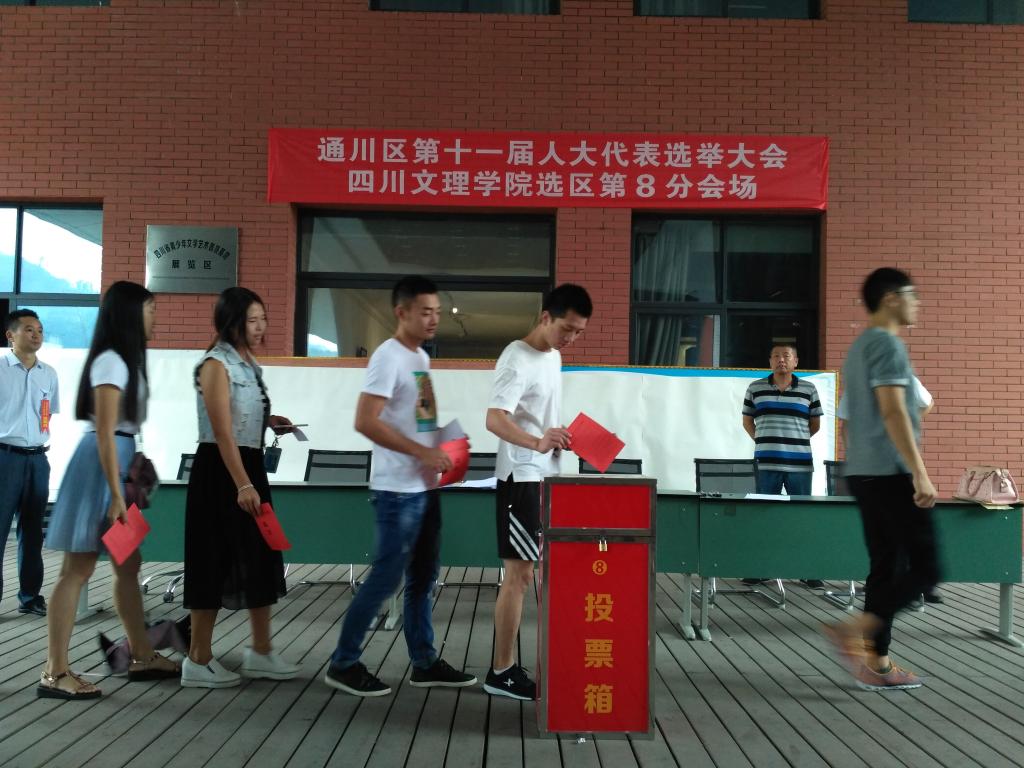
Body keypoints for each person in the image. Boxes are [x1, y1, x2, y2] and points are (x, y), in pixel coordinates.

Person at [324, 276, 476, 697]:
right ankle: (343, 663)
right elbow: (365, 421)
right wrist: (421, 452)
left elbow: (417, 419)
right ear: (401, 312)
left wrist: (446, 445)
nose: (433, 319)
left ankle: (424, 662)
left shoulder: (420, 358)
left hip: (425, 487)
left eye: (437, 312)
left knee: (423, 577)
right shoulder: (387, 357)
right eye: (425, 312)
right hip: (396, 491)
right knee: (386, 577)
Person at [41, 281, 179, 700]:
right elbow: (103, 431)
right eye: (150, 310)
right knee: (77, 570)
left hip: (117, 463)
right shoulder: (112, 362)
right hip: (102, 469)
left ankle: (141, 654)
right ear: (130, 314)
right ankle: (55, 672)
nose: (156, 317)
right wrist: (116, 495)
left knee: (128, 564)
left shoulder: (124, 361)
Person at [824, 267, 937, 692]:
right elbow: (893, 411)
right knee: (927, 569)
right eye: (912, 294)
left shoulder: (858, 348)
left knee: (886, 568)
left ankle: (879, 663)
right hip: (890, 473)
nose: (917, 303)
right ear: (891, 298)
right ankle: (853, 630)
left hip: (864, 473)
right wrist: (919, 472)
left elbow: (851, 421)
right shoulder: (888, 345)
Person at [181, 287, 300, 688]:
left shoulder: (248, 364)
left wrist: (270, 421)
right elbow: (221, 431)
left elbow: (241, 417)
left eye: (263, 318)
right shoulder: (215, 364)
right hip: (221, 471)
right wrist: (243, 483)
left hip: (247, 464)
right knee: (211, 560)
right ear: (231, 322)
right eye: (252, 320)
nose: (261, 326)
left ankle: (261, 651)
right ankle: (198, 659)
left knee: (260, 555)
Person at [483, 283, 592, 700]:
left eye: (579, 331)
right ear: (546, 317)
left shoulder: (553, 356)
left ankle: (507, 667)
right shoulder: (516, 357)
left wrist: (558, 436)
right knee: (519, 575)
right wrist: (536, 442)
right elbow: (495, 419)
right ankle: (501, 671)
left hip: (544, 477)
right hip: (521, 478)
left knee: (529, 574)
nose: (571, 338)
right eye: (567, 328)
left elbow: (537, 418)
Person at [838, 376, 943, 603]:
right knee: (883, 540)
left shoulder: (904, 378)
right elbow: (845, 425)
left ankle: (911, 585)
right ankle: (882, 591)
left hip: (900, 466)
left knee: (907, 533)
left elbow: (928, 403)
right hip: (870, 470)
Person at [741, 343, 824, 588]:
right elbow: (747, 421)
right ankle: (761, 569)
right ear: (770, 361)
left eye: (786, 356)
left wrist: (794, 441)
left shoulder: (809, 389)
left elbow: (815, 425)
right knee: (764, 517)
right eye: (776, 356)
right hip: (766, 462)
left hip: (800, 463)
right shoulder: (755, 387)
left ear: (795, 361)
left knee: (802, 518)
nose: (781, 360)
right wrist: (764, 441)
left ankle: (807, 570)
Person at [1, 310, 58, 617]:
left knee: (33, 532)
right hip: (4, 457)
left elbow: (48, 415)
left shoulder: (48, 373)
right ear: (11, 335)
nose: (36, 335)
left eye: (40, 330)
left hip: (37, 459)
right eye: (28, 330)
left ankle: (30, 596)